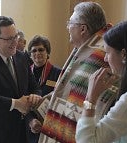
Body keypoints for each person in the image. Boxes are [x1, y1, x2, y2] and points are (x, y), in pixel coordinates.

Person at [36, 2, 116, 143]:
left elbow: (84, 98)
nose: (67, 27)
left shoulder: (99, 56)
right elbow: (70, 91)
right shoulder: (88, 48)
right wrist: (42, 103)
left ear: (83, 29)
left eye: (70, 23)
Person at [76, 20, 127, 143]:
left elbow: (87, 140)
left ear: (124, 55)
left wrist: (90, 98)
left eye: (107, 52)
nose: (105, 59)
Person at [0, 16, 42, 143]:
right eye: (9, 38)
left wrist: (35, 96)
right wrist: (16, 103)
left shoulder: (22, 57)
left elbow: (34, 87)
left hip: (21, 130)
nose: (15, 42)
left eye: (15, 36)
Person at [26, 35, 61, 143]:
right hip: (30, 124)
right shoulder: (24, 73)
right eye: (34, 51)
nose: (37, 53)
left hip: (51, 124)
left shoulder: (58, 73)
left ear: (48, 52)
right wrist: (31, 120)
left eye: (41, 49)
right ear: (30, 55)